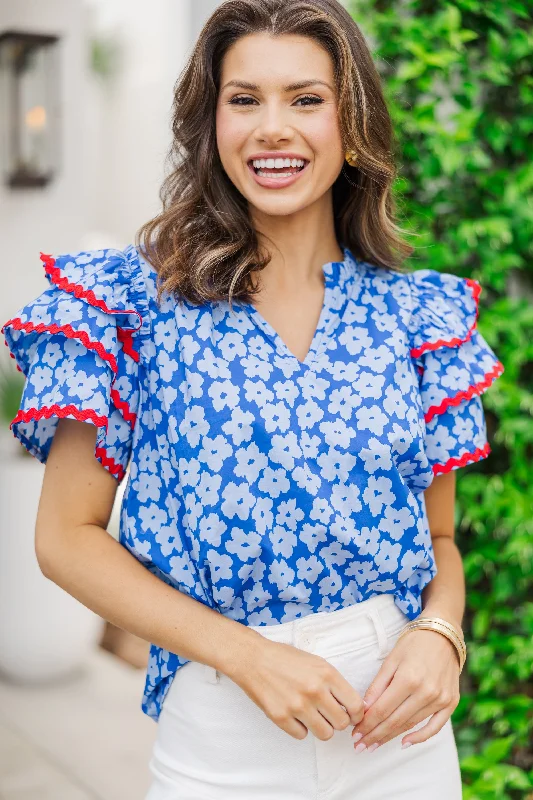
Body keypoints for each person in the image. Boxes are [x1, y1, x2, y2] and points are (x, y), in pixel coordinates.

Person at [1, 0, 505, 797]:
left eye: (306, 99)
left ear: (352, 123)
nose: (274, 127)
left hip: (400, 738)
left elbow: (438, 539)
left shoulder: (418, 318)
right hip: (225, 738)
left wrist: (441, 636)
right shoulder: (130, 303)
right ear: (211, 124)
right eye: (245, 100)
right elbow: (66, 538)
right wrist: (246, 655)